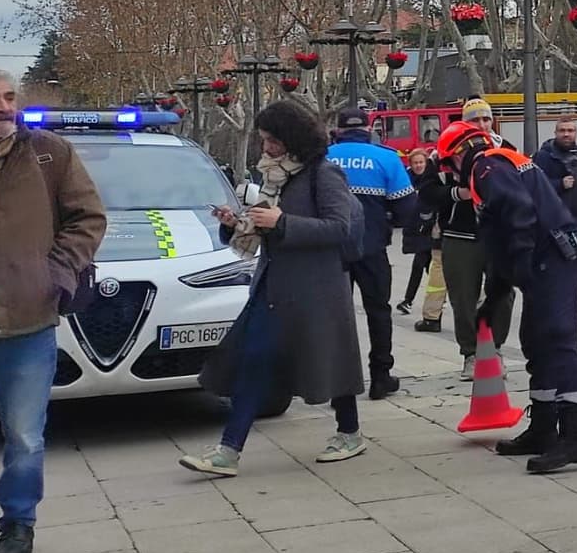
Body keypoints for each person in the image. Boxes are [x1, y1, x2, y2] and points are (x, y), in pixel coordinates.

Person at [0, 67, 107, 553]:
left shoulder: (49, 153)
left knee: (24, 436)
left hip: (27, 322)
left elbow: (88, 217)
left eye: (8, 97)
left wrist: (58, 272)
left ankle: (18, 522)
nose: (3, 107)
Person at [181, 100, 369, 476]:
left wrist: (283, 223)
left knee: (327, 358)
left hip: (315, 288)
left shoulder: (323, 174)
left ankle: (349, 432)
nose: (265, 148)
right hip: (274, 288)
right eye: (263, 140)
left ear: (292, 138)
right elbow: (265, 227)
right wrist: (236, 224)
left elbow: (340, 228)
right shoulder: (274, 177)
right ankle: (228, 450)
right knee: (255, 361)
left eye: (272, 140)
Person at [435, 121, 577, 473]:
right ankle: (543, 429)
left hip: (554, 257)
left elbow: (519, 213)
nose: (449, 173)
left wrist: (519, 266)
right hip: (550, 256)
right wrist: (496, 293)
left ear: (459, 154)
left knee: (557, 339)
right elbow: (500, 237)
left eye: (448, 165)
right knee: (535, 341)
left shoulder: (485, 167)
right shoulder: (497, 162)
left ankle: (574, 435)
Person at [327, 108, 421, 399]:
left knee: (335, 316)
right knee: (378, 312)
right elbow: (407, 211)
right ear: (369, 129)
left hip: (332, 249)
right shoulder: (386, 158)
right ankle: (380, 376)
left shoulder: (323, 158)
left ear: (338, 130)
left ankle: (338, 384)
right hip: (371, 248)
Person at [437, 97, 515, 378]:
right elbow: (426, 194)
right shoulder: (445, 152)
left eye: (486, 119)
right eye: (474, 120)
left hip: (497, 235)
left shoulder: (504, 149)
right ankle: (471, 353)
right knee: (463, 298)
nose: (481, 125)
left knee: (503, 295)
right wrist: (458, 194)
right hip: (459, 236)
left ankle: (493, 349)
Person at [396, 148, 449, 332]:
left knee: (425, 266)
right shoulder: (408, 180)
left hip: (432, 229)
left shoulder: (432, 179)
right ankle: (418, 301)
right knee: (426, 267)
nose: (418, 165)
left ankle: (410, 301)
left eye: (421, 162)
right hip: (421, 230)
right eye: (415, 163)